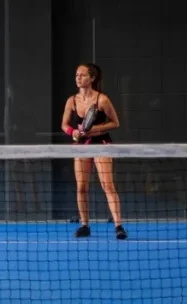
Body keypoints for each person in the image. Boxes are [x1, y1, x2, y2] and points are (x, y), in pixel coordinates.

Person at [61, 63, 127, 240]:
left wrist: (95, 129)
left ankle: (118, 226)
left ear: (92, 78)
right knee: (81, 187)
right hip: (81, 146)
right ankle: (84, 225)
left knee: (107, 185)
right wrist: (73, 132)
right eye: (77, 75)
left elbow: (115, 122)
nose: (78, 78)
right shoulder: (71, 101)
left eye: (82, 75)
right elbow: (64, 125)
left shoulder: (102, 100)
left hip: (101, 144)